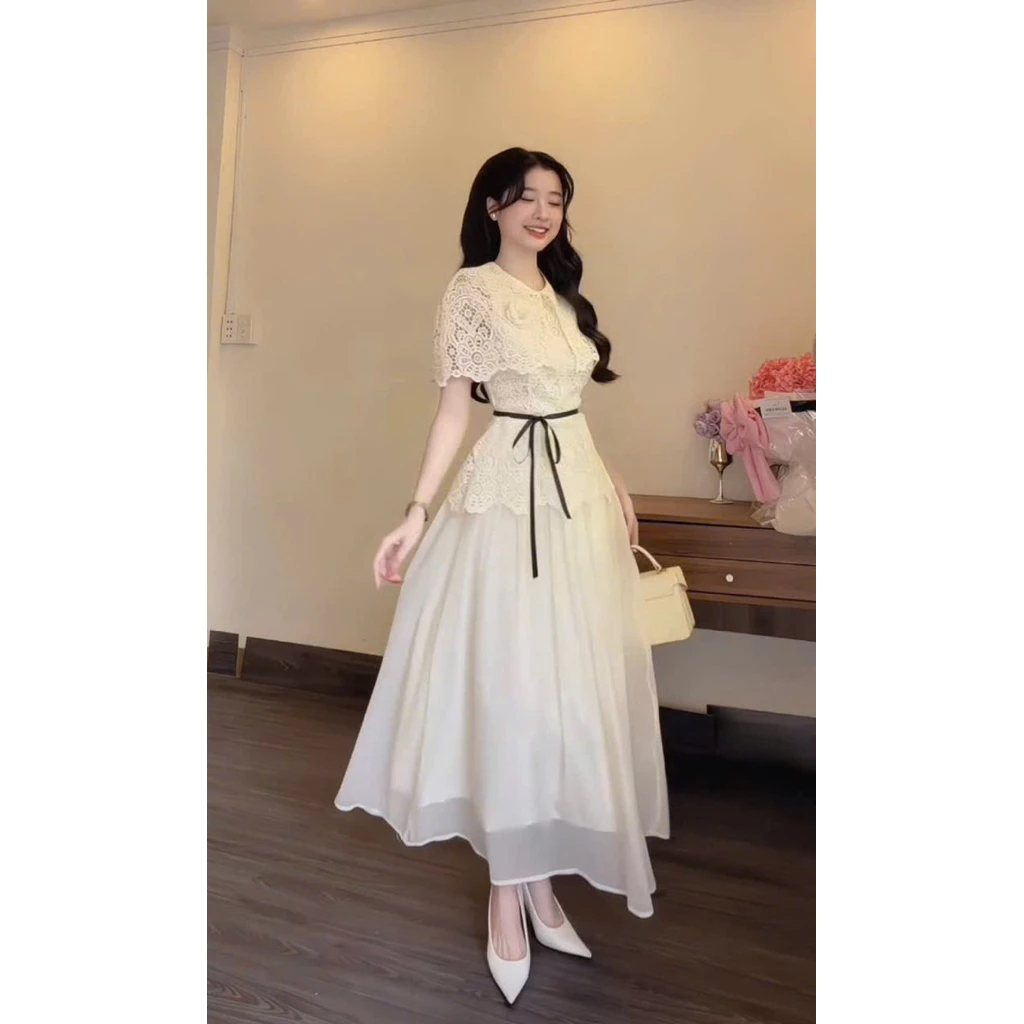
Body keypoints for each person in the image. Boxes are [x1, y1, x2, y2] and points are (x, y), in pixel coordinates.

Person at [335, 147, 669, 1004]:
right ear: (492, 206)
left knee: (565, 698)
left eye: (556, 199)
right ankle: (508, 895)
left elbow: (568, 405)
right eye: (526, 197)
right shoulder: (471, 291)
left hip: (577, 501)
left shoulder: (562, 295)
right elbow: (456, 407)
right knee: (514, 691)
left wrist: (612, 476)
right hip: (506, 506)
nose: (543, 212)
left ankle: (540, 882)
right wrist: (417, 510)